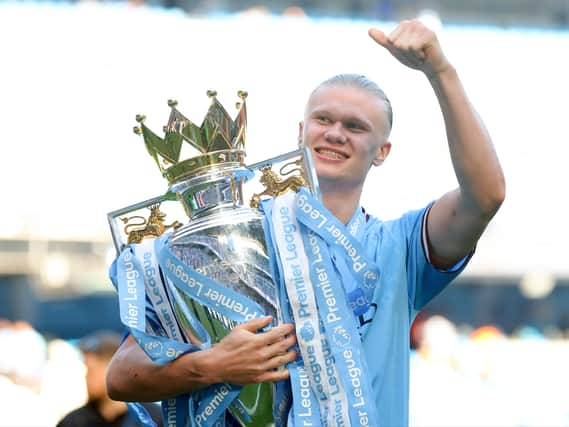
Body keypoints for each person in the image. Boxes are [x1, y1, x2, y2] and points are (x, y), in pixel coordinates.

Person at [106, 19, 505, 425]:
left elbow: (485, 196)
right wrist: (213, 365)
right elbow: (121, 375)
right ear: (301, 132)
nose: (335, 134)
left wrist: (440, 72)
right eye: (323, 120)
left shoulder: (399, 248)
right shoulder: (231, 242)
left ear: (382, 151)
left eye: (355, 126)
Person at [58, 331, 163, 427]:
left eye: (91, 369)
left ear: (114, 369)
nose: (86, 377)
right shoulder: (73, 422)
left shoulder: (152, 419)